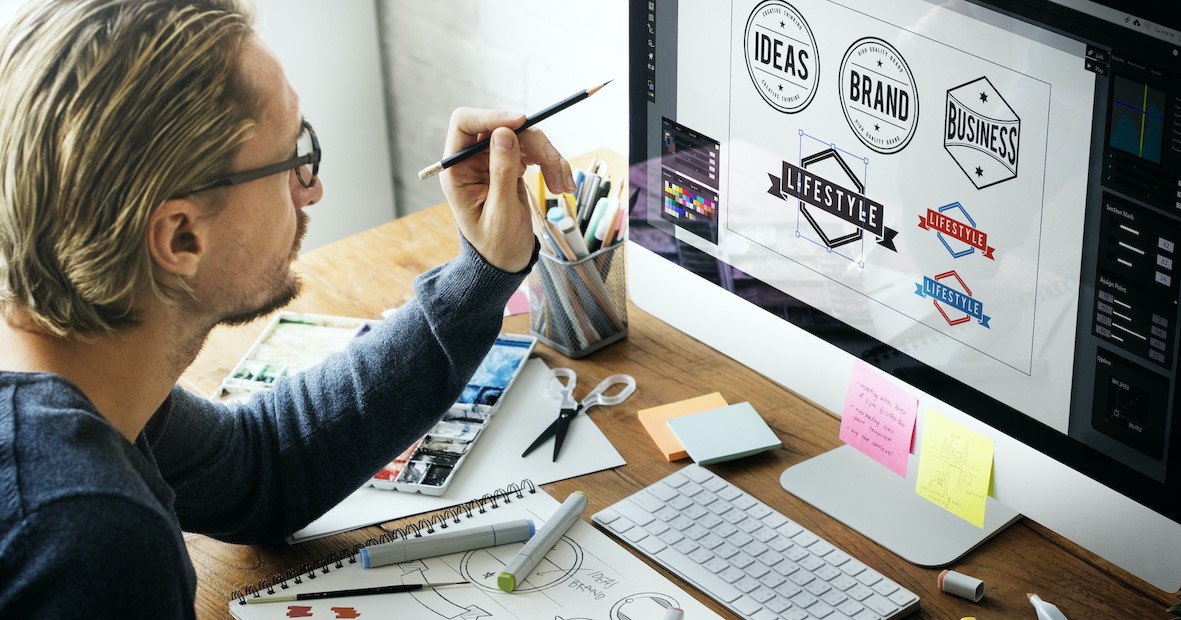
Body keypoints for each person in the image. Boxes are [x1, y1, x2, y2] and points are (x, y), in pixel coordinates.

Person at [0, 0, 575, 616]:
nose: (312, 187)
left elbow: (257, 470)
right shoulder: (86, 539)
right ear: (180, 238)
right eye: (291, 157)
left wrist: (484, 272)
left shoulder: (78, 368)